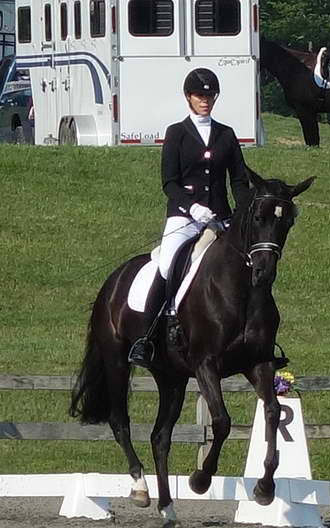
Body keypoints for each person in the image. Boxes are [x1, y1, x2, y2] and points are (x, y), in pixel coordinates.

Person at [128, 67, 251, 368]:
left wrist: (242, 212)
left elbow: (238, 179)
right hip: (184, 218)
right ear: (188, 97)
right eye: (200, 95)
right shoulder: (177, 133)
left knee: (246, 265)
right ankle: (151, 333)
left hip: (219, 219)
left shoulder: (226, 134)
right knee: (168, 265)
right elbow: (169, 181)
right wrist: (192, 206)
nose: (205, 100)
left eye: (210, 95)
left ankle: (255, 333)